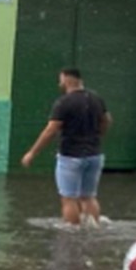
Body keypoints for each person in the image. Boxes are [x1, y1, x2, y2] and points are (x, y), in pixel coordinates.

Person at [22, 67, 111, 225]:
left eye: (61, 79)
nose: (59, 83)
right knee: (88, 196)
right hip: (94, 155)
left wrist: (32, 153)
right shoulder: (96, 98)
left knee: (69, 198)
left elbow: (51, 130)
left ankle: (72, 234)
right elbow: (107, 120)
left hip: (70, 156)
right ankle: (94, 231)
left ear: (66, 80)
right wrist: (97, 136)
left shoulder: (64, 102)